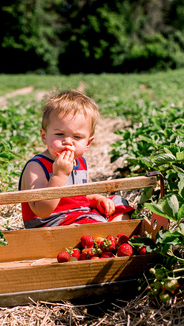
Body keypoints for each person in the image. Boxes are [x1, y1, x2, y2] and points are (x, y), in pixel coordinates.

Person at [18, 89, 134, 228]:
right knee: (91, 223)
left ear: (88, 143)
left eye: (77, 137)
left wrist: (97, 199)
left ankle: (112, 234)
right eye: (60, 134)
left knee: (118, 202)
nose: (68, 141)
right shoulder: (36, 167)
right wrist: (59, 175)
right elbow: (41, 211)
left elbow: (80, 198)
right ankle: (108, 235)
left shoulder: (80, 162)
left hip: (80, 215)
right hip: (52, 223)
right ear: (44, 136)